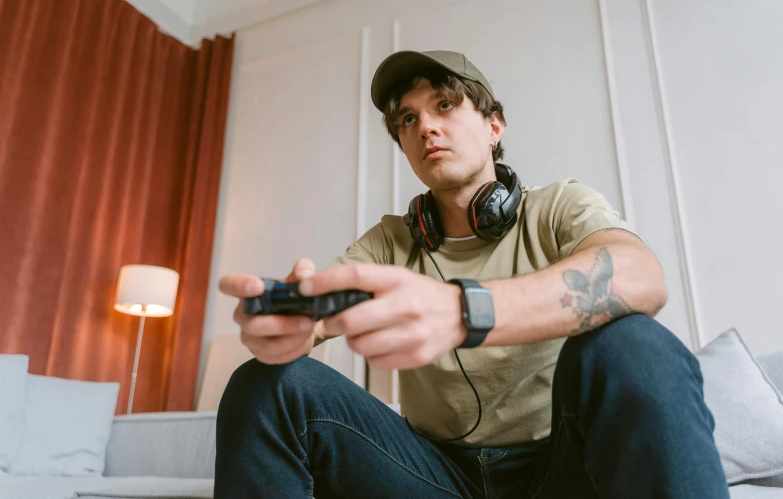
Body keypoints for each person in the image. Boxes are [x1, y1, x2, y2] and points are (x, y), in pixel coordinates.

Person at [214, 50, 729, 498]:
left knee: (631, 342)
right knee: (266, 382)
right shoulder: (390, 242)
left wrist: (464, 310)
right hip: (434, 478)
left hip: (562, 472)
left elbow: (641, 277)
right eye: (407, 120)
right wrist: (285, 323)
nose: (425, 127)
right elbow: (319, 309)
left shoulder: (557, 207)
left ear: (494, 126)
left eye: (444, 105)